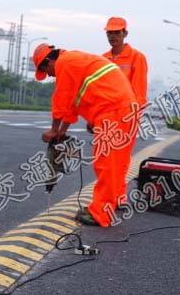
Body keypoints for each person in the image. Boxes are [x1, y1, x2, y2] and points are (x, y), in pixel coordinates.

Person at [33, 43, 137, 227]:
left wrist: (54, 130)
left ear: (49, 61)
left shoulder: (64, 63)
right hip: (122, 109)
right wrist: (63, 132)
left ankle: (99, 213)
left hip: (113, 111)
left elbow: (61, 101)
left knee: (106, 163)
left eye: (46, 70)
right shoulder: (75, 60)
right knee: (116, 163)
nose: (49, 75)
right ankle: (110, 204)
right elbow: (72, 106)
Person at [101, 16, 147, 207]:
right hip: (106, 118)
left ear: (125, 33)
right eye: (110, 32)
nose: (113, 36)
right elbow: (99, 91)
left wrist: (133, 118)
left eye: (117, 32)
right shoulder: (103, 59)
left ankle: (118, 197)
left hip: (127, 117)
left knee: (120, 160)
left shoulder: (137, 58)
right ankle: (109, 197)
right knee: (104, 160)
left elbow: (139, 92)